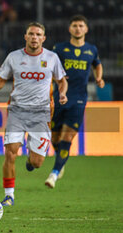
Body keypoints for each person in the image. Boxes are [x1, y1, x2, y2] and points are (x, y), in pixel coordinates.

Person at [0, 22, 68, 206]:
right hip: (17, 111)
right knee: (10, 153)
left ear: (43, 38)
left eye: (38, 34)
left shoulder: (52, 58)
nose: (34, 37)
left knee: (37, 163)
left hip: (41, 113)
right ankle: (9, 195)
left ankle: (31, 161)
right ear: (25, 36)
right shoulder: (14, 57)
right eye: (31, 33)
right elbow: (1, 80)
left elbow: (62, 81)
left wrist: (62, 93)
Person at [45, 15, 104, 188]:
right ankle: (60, 161)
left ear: (86, 29)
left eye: (81, 26)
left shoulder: (91, 50)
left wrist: (99, 78)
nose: (78, 28)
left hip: (79, 100)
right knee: (54, 138)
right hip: (59, 98)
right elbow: (50, 69)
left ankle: (54, 174)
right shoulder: (60, 49)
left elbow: (97, 64)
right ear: (69, 29)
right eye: (74, 25)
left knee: (67, 138)